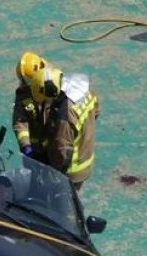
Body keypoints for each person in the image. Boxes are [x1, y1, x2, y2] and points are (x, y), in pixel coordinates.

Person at [12, 52, 99, 191]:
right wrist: (25, 145)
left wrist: (53, 172)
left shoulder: (58, 98)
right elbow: (20, 122)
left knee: (60, 198)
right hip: (39, 152)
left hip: (64, 162)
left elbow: (62, 147)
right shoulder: (68, 86)